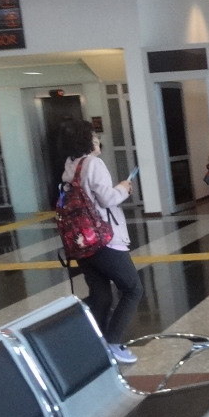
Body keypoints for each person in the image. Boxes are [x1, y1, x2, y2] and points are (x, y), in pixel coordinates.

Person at [59, 118, 143, 364]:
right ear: (86, 140)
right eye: (93, 135)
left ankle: (94, 345)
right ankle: (113, 343)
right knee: (132, 289)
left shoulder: (70, 165)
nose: (97, 139)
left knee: (101, 295)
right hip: (104, 238)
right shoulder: (93, 164)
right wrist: (124, 188)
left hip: (81, 241)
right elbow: (107, 199)